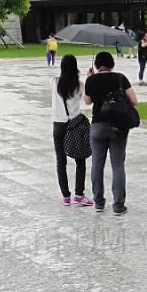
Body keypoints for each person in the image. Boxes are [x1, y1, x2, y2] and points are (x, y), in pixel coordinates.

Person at [84, 52, 138, 214]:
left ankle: (98, 202)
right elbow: (134, 101)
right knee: (118, 165)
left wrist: (90, 79)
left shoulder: (91, 80)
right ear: (112, 64)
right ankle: (118, 205)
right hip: (118, 127)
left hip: (98, 126)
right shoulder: (120, 78)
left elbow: (87, 101)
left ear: (97, 65)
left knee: (97, 164)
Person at [52, 54, 92, 206]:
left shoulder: (55, 82)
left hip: (58, 125)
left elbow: (62, 78)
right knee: (80, 160)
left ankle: (66, 196)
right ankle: (79, 194)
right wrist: (89, 77)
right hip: (74, 125)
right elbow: (87, 100)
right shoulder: (80, 85)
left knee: (60, 161)